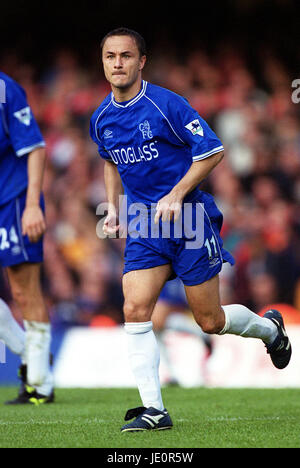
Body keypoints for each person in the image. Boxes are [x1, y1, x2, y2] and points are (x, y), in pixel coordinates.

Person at [90, 28, 292, 432]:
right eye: (111, 56)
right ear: (103, 61)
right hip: (145, 224)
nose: (118, 63)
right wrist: (113, 208)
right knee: (135, 307)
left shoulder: (167, 105)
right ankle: (154, 410)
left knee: (210, 320)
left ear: (141, 61)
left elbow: (213, 150)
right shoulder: (101, 119)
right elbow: (110, 161)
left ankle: (270, 330)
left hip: (189, 220)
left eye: (126, 56)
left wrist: (177, 193)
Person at [0, 71, 54, 404]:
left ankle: (39, 383)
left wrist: (32, 205)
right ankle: (30, 354)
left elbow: (35, 148)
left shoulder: (4, 89)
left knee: (23, 290)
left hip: (13, 199)